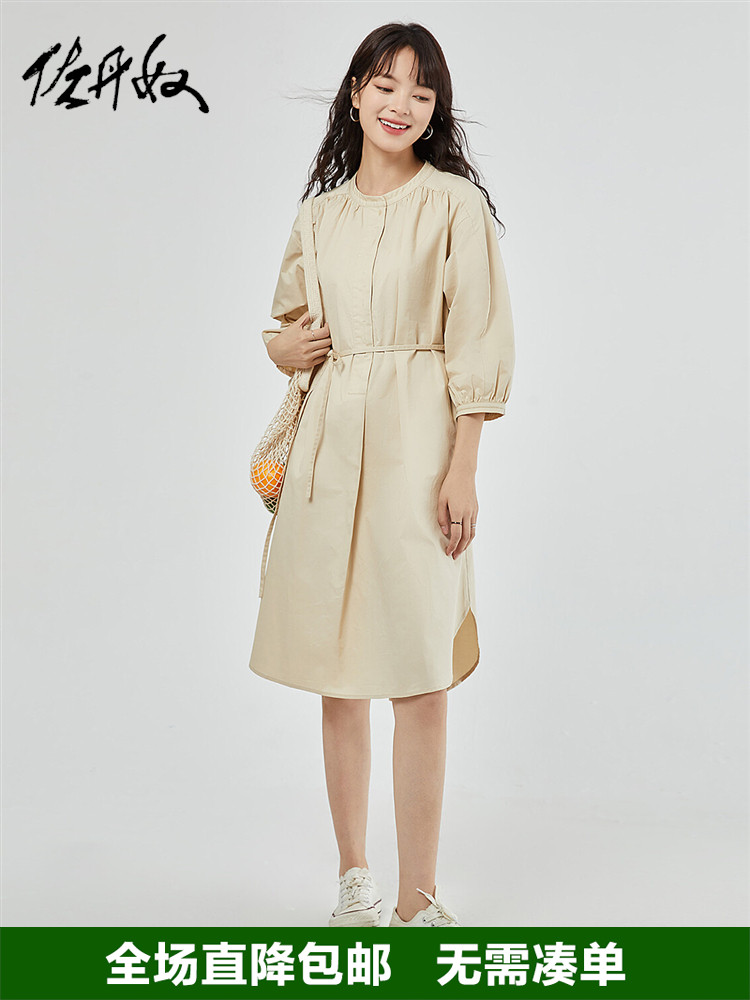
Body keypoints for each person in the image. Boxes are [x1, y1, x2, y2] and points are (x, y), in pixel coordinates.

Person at [248, 22, 515, 928]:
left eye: (422, 93)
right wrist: (283, 347)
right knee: (342, 669)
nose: (402, 104)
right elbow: (287, 326)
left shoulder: (454, 206)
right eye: (387, 85)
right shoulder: (320, 215)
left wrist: (463, 467)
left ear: (435, 111)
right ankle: (354, 880)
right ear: (356, 92)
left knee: (420, 672)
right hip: (329, 448)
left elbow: (478, 338)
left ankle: (418, 897)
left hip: (419, 446)